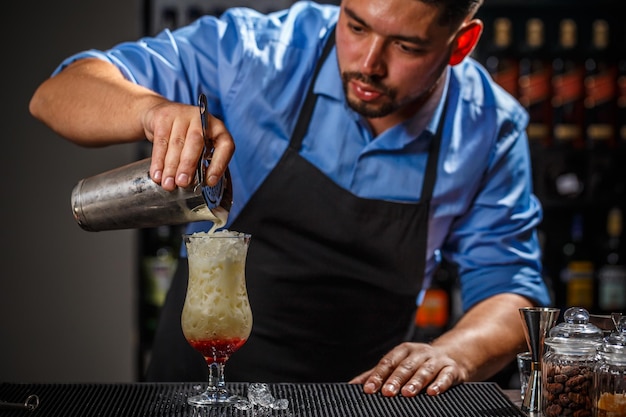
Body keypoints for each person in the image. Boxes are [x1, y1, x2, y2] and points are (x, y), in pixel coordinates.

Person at [30, 0, 551, 397]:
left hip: (358, 399)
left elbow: (513, 292)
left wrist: (453, 354)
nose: (368, 63)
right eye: (356, 26)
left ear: (460, 44)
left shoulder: (489, 128)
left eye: (407, 46)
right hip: (197, 390)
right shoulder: (254, 53)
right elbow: (57, 94)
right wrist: (150, 111)